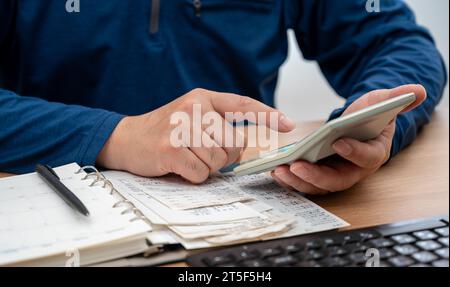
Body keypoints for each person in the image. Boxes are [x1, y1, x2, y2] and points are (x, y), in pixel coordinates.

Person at [0, 0, 446, 194]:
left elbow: (398, 44)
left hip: (241, 217)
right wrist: (118, 136)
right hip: (62, 218)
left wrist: (363, 130)